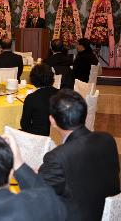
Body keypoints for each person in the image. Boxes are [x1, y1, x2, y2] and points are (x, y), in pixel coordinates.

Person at [39, 89, 120, 221]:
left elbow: (36, 193)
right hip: (105, 213)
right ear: (85, 114)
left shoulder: (58, 157)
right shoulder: (107, 139)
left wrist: (20, 166)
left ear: (52, 121)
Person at [20, 63, 58, 136]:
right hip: (58, 136)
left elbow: (24, 125)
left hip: (38, 137)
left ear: (33, 79)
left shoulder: (31, 98)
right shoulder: (61, 93)